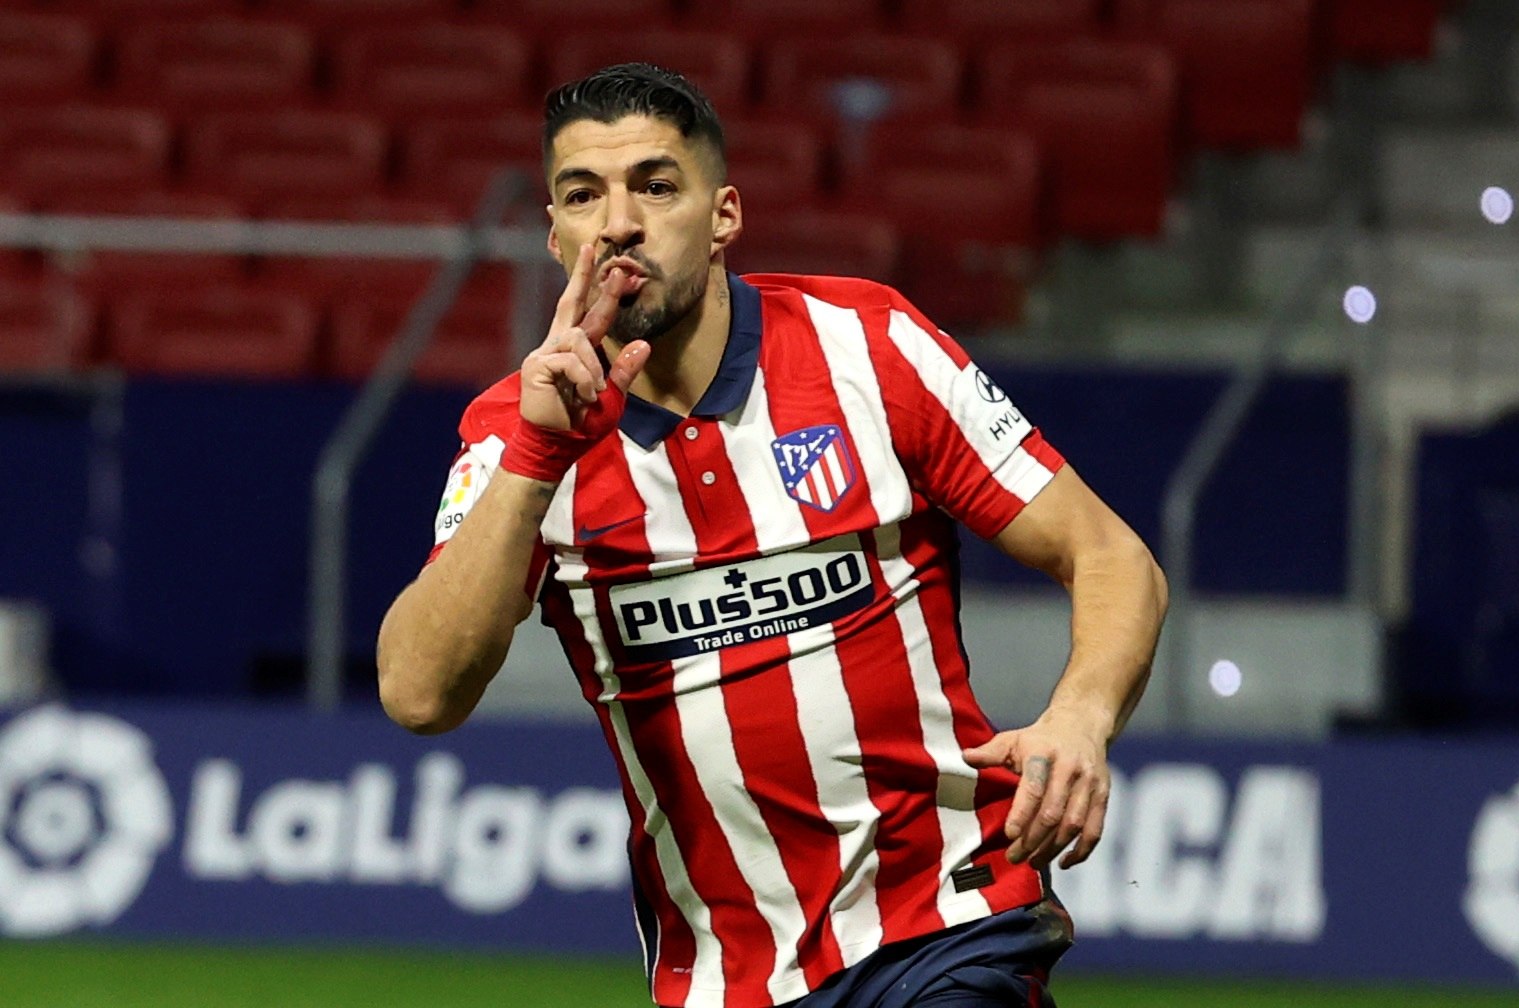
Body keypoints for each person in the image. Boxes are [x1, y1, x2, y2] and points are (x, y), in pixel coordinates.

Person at [376, 63, 1167, 1008]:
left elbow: (1111, 557)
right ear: (555, 237)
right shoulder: (516, 434)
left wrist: (1080, 715)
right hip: (721, 978)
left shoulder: (867, 347)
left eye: (656, 187)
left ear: (723, 218)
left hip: (944, 927)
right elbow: (419, 692)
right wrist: (540, 453)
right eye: (583, 196)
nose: (618, 222)